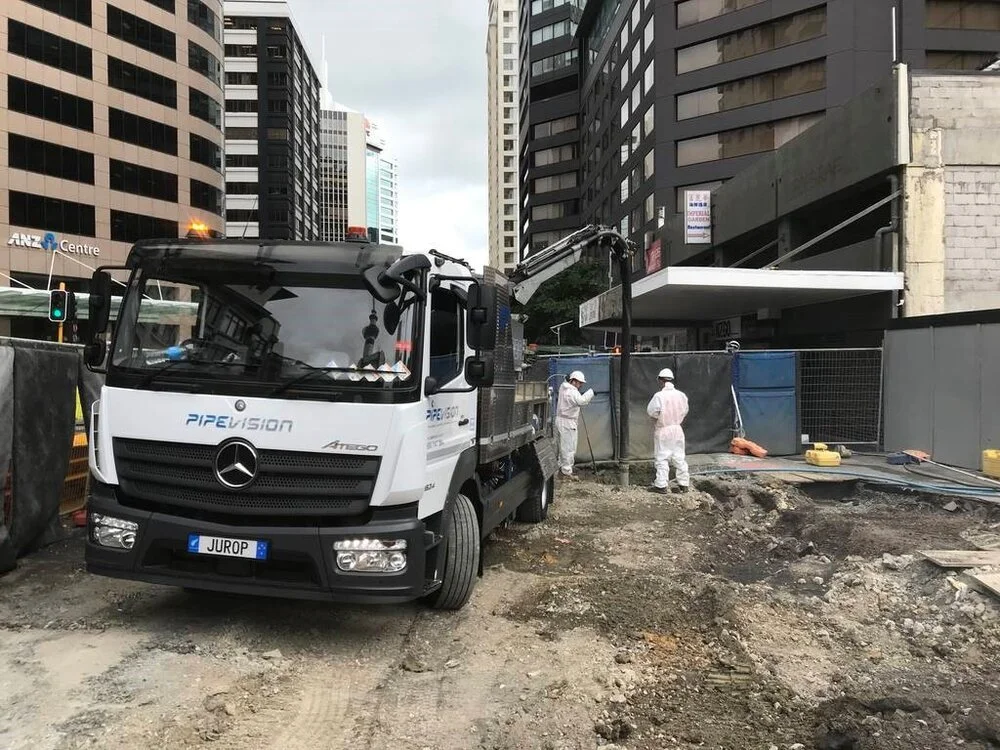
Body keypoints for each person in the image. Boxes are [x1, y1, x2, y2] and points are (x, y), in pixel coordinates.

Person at [646, 367, 690, 493]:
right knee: (679, 457)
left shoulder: (659, 396)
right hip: (677, 429)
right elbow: (685, 410)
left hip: (664, 429)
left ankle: (661, 485)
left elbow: (652, 411)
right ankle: (684, 483)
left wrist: (660, 418)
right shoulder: (682, 395)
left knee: (662, 457)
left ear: (660, 380)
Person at [555, 370, 595, 480]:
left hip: (562, 421)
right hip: (567, 423)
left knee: (562, 447)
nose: (581, 385)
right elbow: (581, 401)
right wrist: (591, 392)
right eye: (580, 382)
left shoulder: (564, 388)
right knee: (569, 447)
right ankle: (566, 472)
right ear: (574, 381)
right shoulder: (571, 391)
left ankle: (561, 469)